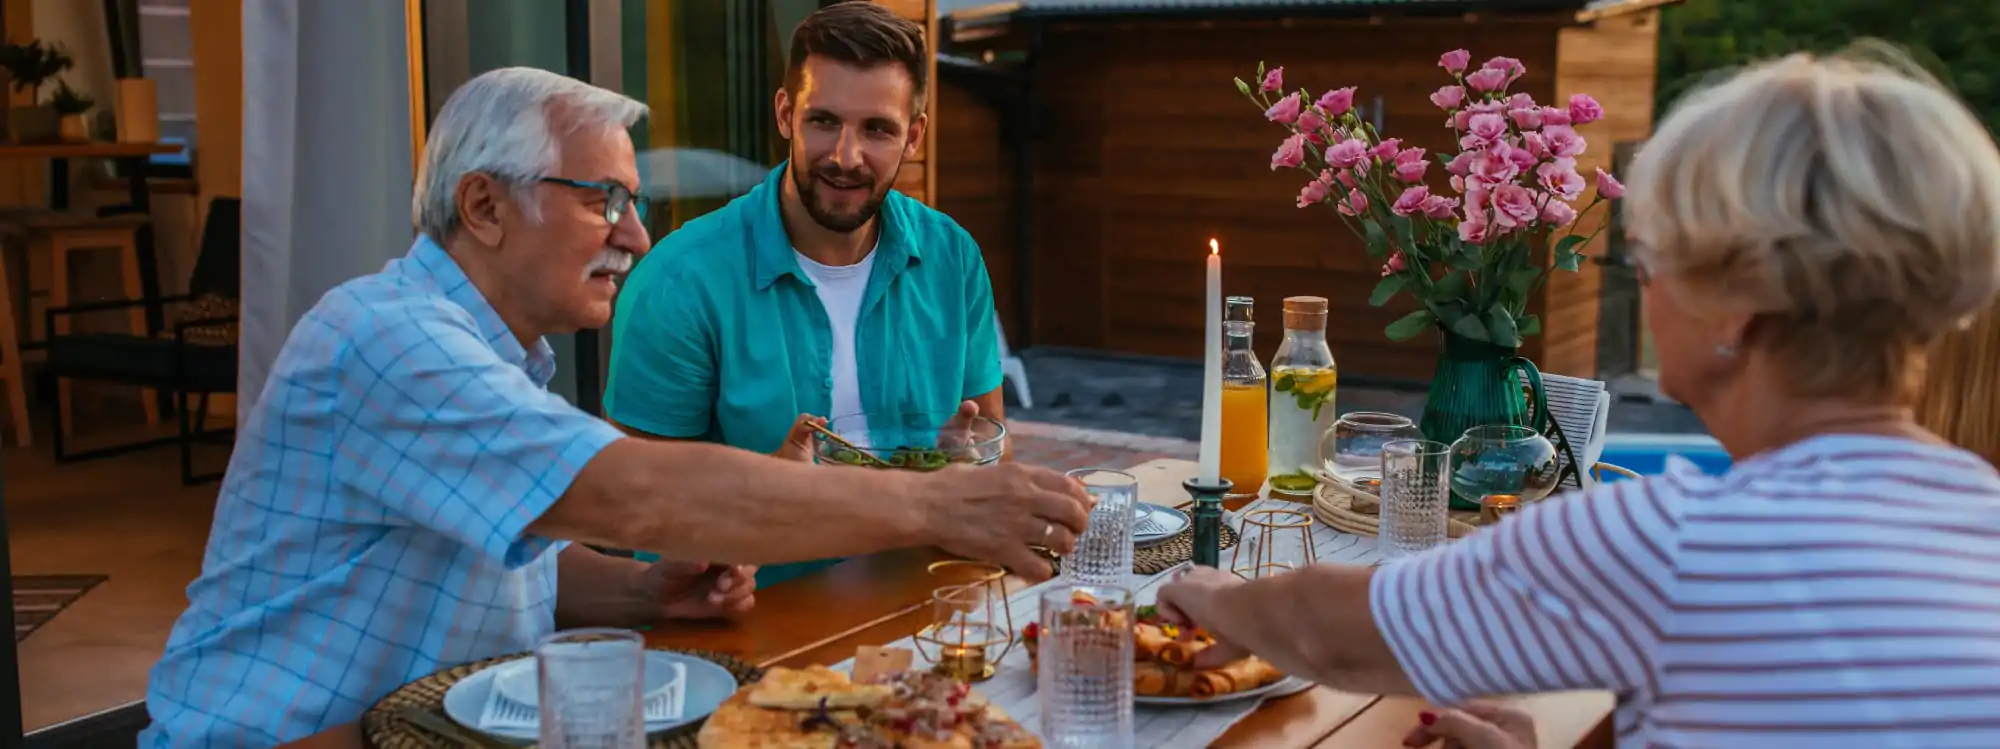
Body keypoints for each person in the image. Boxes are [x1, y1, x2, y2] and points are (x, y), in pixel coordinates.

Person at [139, 67, 1090, 748]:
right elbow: (639, 493)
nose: (637, 233)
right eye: (605, 200)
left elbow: (513, 564)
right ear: (483, 206)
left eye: (631, 202)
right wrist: (942, 505)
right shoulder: (390, 341)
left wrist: (640, 592)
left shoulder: (492, 352)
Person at [1155, 41, 2000, 747]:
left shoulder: (1679, 544)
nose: (1642, 289)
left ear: (1737, 310)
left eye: (1655, 259)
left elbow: (1331, 630)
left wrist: (1215, 595)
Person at [605, 2, 1009, 588]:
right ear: (785, 114)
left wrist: (960, 465)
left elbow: (991, 439)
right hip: (756, 628)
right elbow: (635, 507)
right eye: (824, 121)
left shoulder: (952, 257)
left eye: (877, 129)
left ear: (914, 136)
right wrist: (769, 492)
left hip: (926, 606)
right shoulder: (679, 282)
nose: (846, 156)